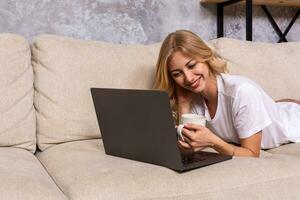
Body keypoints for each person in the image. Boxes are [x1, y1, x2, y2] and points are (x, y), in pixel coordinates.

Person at [153, 29, 300, 157]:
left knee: (289, 111)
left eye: (192, 65)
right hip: (277, 109)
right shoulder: (192, 97)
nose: (188, 78)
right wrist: (183, 103)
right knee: (279, 107)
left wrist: (212, 141)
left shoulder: (242, 91)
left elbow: (252, 154)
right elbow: (187, 149)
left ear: (205, 56)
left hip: (294, 122)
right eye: (177, 73)